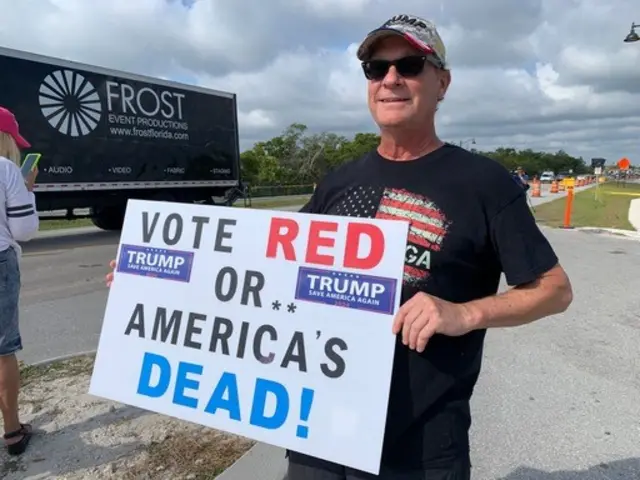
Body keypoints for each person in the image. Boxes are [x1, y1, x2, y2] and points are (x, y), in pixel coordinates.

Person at [106, 13, 574, 479]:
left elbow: (554, 290)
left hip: (420, 441)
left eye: (409, 65)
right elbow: (264, 267)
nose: (391, 79)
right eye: (376, 69)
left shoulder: (484, 183)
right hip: (321, 429)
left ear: (442, 82)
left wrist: (464, 313)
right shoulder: (339, 182)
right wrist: (151, 276)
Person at [0, 106, 39, 455]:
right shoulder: (7, 170)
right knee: (2, 350)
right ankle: (12, 430)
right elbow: (24, 230)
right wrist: (28, 191)